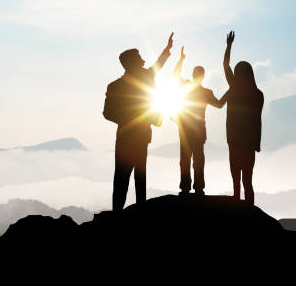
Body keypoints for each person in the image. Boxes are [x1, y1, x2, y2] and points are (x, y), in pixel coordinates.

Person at [103, 33, 174, 211]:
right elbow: (108, 113)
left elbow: (158, 66)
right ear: (132, 62)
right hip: (136, 135)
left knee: (130, 176)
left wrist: (167, 50)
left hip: (133, 136)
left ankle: (122, 212)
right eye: (139, 57)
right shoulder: (119, 85)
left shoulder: (119, 84)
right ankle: (130, 213)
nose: (143, 59)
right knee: (130, 176)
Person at [172, 46, 224, 195]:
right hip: (198, 130)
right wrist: (230, 90)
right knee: (197, 160)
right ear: (203, 76)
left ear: (194, 75)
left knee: (185, 160)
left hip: (185, 129)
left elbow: (175, 75)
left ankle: (185, 188)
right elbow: (220, 104)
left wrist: (181, 60)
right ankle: (198, 188)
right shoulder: (206, 92)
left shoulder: (186, 86)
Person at [221, 31, 264, 205]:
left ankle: (236, 202)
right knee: (248, 179)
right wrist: (256, 143)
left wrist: (229, 45)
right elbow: (257, 121)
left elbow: (225, 65)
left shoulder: (234, 89)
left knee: (236, 178)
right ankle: (249, 209)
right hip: (249, 143)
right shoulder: (258, 94)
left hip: (234, 139)